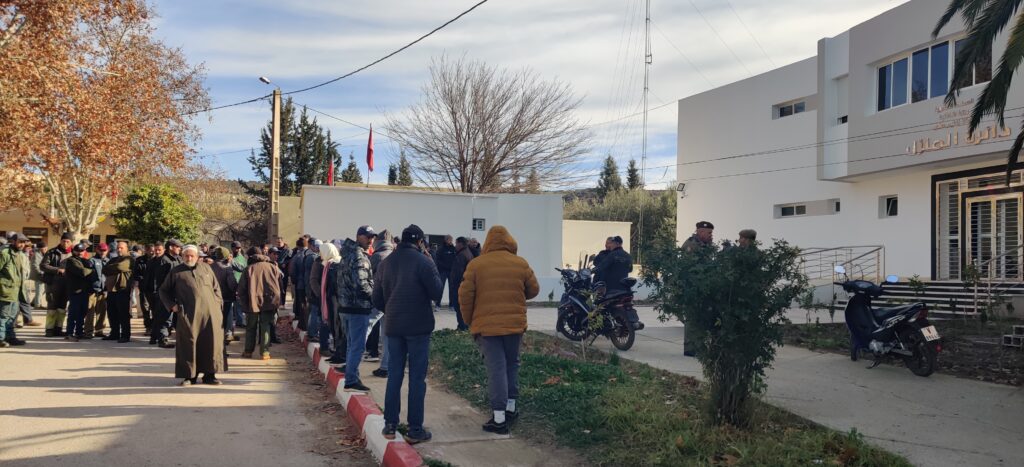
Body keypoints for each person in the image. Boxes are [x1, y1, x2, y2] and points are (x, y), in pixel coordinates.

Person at [458, 225, 539, 435]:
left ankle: (499, 419)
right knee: (512, 365)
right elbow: (534, 289)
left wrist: (469, 321)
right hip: (515, 326)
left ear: (488, 242)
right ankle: (511, 408)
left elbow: (465, 296)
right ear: (509, 241)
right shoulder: (520, 263)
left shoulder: (476, 265)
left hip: (487, 329)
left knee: (496, 369)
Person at [372, 224, 442, 444]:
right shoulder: (424, 262)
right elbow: (437, 292)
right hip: (418, 327)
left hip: (394, 327)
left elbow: (376, 298)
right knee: (417, 378)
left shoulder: (386, 263)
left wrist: (391, 310)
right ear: (420, 242)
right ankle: (415, 429)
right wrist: (431, 262)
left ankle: (390, 425)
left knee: (394, 375)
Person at [159, 245, 227, 386]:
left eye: (192, 256)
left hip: (211, 314)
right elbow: (163, 291)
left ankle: (210, 375)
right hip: (189, 314)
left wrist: (217, 304)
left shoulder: (206, 268)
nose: (189, 258)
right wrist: (172, 305)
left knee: (211, 343)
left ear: (197, 257)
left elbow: (216, 288)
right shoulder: (176, 271)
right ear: (182, 256)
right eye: (186, 256)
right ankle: (190, 376)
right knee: (189, 344)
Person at [337, 226, 376, 393]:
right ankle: (351, 379)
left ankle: (353, 375)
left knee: (351, 344)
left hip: (345, 307)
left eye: (372, 237)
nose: (370, 240)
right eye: (367, 237)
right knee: (357, 346)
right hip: (357, 307)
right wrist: (374, 297)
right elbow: (361, 284)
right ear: (358, 236)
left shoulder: (346, 254)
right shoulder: (359, 257)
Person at [238, 246, 281, 360]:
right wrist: (277, 301)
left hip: (252, 302)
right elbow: (280, 285)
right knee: (266, 325)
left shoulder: (249, 269)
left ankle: (248, 351)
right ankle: (265, 352)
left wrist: (244, 303)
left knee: (251, 326)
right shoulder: (273, 267)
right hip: (269, 301)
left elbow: (241, 289)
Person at [367, 230, 394, 375]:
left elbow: (368, 277)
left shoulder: (377, 256)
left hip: (378, 300)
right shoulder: (395, 256)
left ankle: (351, 361)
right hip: (392, 301)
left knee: (364, 328)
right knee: (386, 335)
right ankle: (386, 367)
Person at [149, 239, 183, 348]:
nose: (179, 248)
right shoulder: (164, 260)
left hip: (177, 294)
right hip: (166, 294)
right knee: (164, 318)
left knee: (172, 318)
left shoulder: (178, 259)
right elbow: (161, 280)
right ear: (171, 247)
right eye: (177, 246)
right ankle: (162, 339)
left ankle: (154, 337)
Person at [40, 232, 74, 337]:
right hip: (52, 284)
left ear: (71, 242)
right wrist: (57, 270)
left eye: (68, 241)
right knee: (52, 307)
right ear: (60, 241)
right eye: (63, 241)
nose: (65, 243)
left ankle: (58, 329)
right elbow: (43, 266)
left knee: (62, 308)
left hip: (67, 285)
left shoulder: (74, 253)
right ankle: (49, 330)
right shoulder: (51, 252)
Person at [0, 234, 30, 347]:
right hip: (5, 290)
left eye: (24, 242)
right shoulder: (4, 253)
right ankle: (1, 338)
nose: (22, 244)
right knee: (3, 316)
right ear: (13, 241)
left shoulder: (21, 254)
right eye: (20, 242)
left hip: (17, 291)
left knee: (12, 317)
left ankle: (10, 337)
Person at [103, 241, 134, 343]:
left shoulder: (129, 259)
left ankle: (125, 335)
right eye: (118, 248)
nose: (119, 249)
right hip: (111, 289)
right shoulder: (114, 259)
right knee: (112, 313)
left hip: (123, 289)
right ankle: (114, 333)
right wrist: (114, 267)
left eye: (121, 248)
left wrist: (113, 267)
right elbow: (104, 269)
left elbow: (120, 267)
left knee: (123, 314)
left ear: (127, 248)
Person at [315, 243, 341, 362]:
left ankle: (338, 351)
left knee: (336, 326)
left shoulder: (335, 265)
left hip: (335, 301)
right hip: (329, 300)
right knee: (331, 325)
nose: (320, 254)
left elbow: (335, 286)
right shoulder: (327, 264)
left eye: (322, 252)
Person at [64, 242, 95, 342]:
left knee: (82, 313)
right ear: (73, 251)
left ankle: (79, 332)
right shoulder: (71, 261)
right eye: (78, 251)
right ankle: (69, 333)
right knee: (73, 313)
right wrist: (91, 270)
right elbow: (82, 272)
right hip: (75, 291)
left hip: (84, 291)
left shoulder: (84, 260)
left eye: (82, 250)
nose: (80, 252)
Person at [210, 247, 238, 344]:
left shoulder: (209, 267)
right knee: (228, 316)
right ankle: (227, 334)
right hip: (226, 297)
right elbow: (232, 284)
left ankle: (215, 336)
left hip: (213, 297)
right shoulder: (227, 268)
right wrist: (236, 290)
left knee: (216, 318)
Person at [84, 242, 109, 339]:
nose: (102, 252)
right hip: (92, 291)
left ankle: (99, 330)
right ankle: (88, 332)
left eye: (104, 250)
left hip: (103, 291)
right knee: (90, 312)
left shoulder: (108, 261)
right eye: (101, 250)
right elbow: (87, 276)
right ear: (97, 250)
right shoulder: (91, 261)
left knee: (102, 312)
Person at [449, 237, 473, 331]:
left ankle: (462, 327)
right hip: (465, 284)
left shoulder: (462, 255)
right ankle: (464, 326)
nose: (455, 246)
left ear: (461, 244)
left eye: (456, 243)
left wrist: (454, 284)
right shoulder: (468, 253)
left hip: (459, 285)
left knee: (459, 307)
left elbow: (458, 272)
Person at [289, 237, 313, 331]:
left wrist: (294, 281)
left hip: (300, 284)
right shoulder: (311, 255)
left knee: (302, 304)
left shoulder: (296, 257)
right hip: (310, 284)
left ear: (297, 246)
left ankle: (303, 324)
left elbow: (292, 272)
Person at [304, 239, 323, 339]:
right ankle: (313, 333)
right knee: (315, 311)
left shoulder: (308, 256)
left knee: (313, 311)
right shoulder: (313, 258)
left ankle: (311, 332)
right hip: (313, 288)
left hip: (310, 286)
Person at [133, 244, 153, 332]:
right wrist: (143, 279)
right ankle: (148, 326)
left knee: (155, 308)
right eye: (150, 250)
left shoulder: (158, 260)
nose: (152, 252)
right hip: (144, 287)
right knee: (145, 308)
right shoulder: (139, 260)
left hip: (155, 288)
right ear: (146, 250)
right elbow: (135, 273)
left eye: (153, 250)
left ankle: (154, 326)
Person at [433, 235, 456, 308]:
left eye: (451, 240)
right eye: (449, 240)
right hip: (443, 271)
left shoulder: (454, 249)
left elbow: (456, 259)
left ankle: (452, 304)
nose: (451, 241)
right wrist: (444, 266)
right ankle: (437, 304)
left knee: (452, 288)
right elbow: (437, 260)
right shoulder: (441, 249)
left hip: (451, 271)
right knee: (440, 287)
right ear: (446, 240)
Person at [30, 241, 46, 309]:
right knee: (39, 291)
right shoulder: (36, 254)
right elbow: (35, 265)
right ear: (41, 248)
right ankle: (37, 305)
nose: (46, 249)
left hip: (42, 275)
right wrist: (41, 272)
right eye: (45, 248)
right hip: (38, 275)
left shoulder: (41, 254)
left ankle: (34, 302)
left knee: (43, 290)